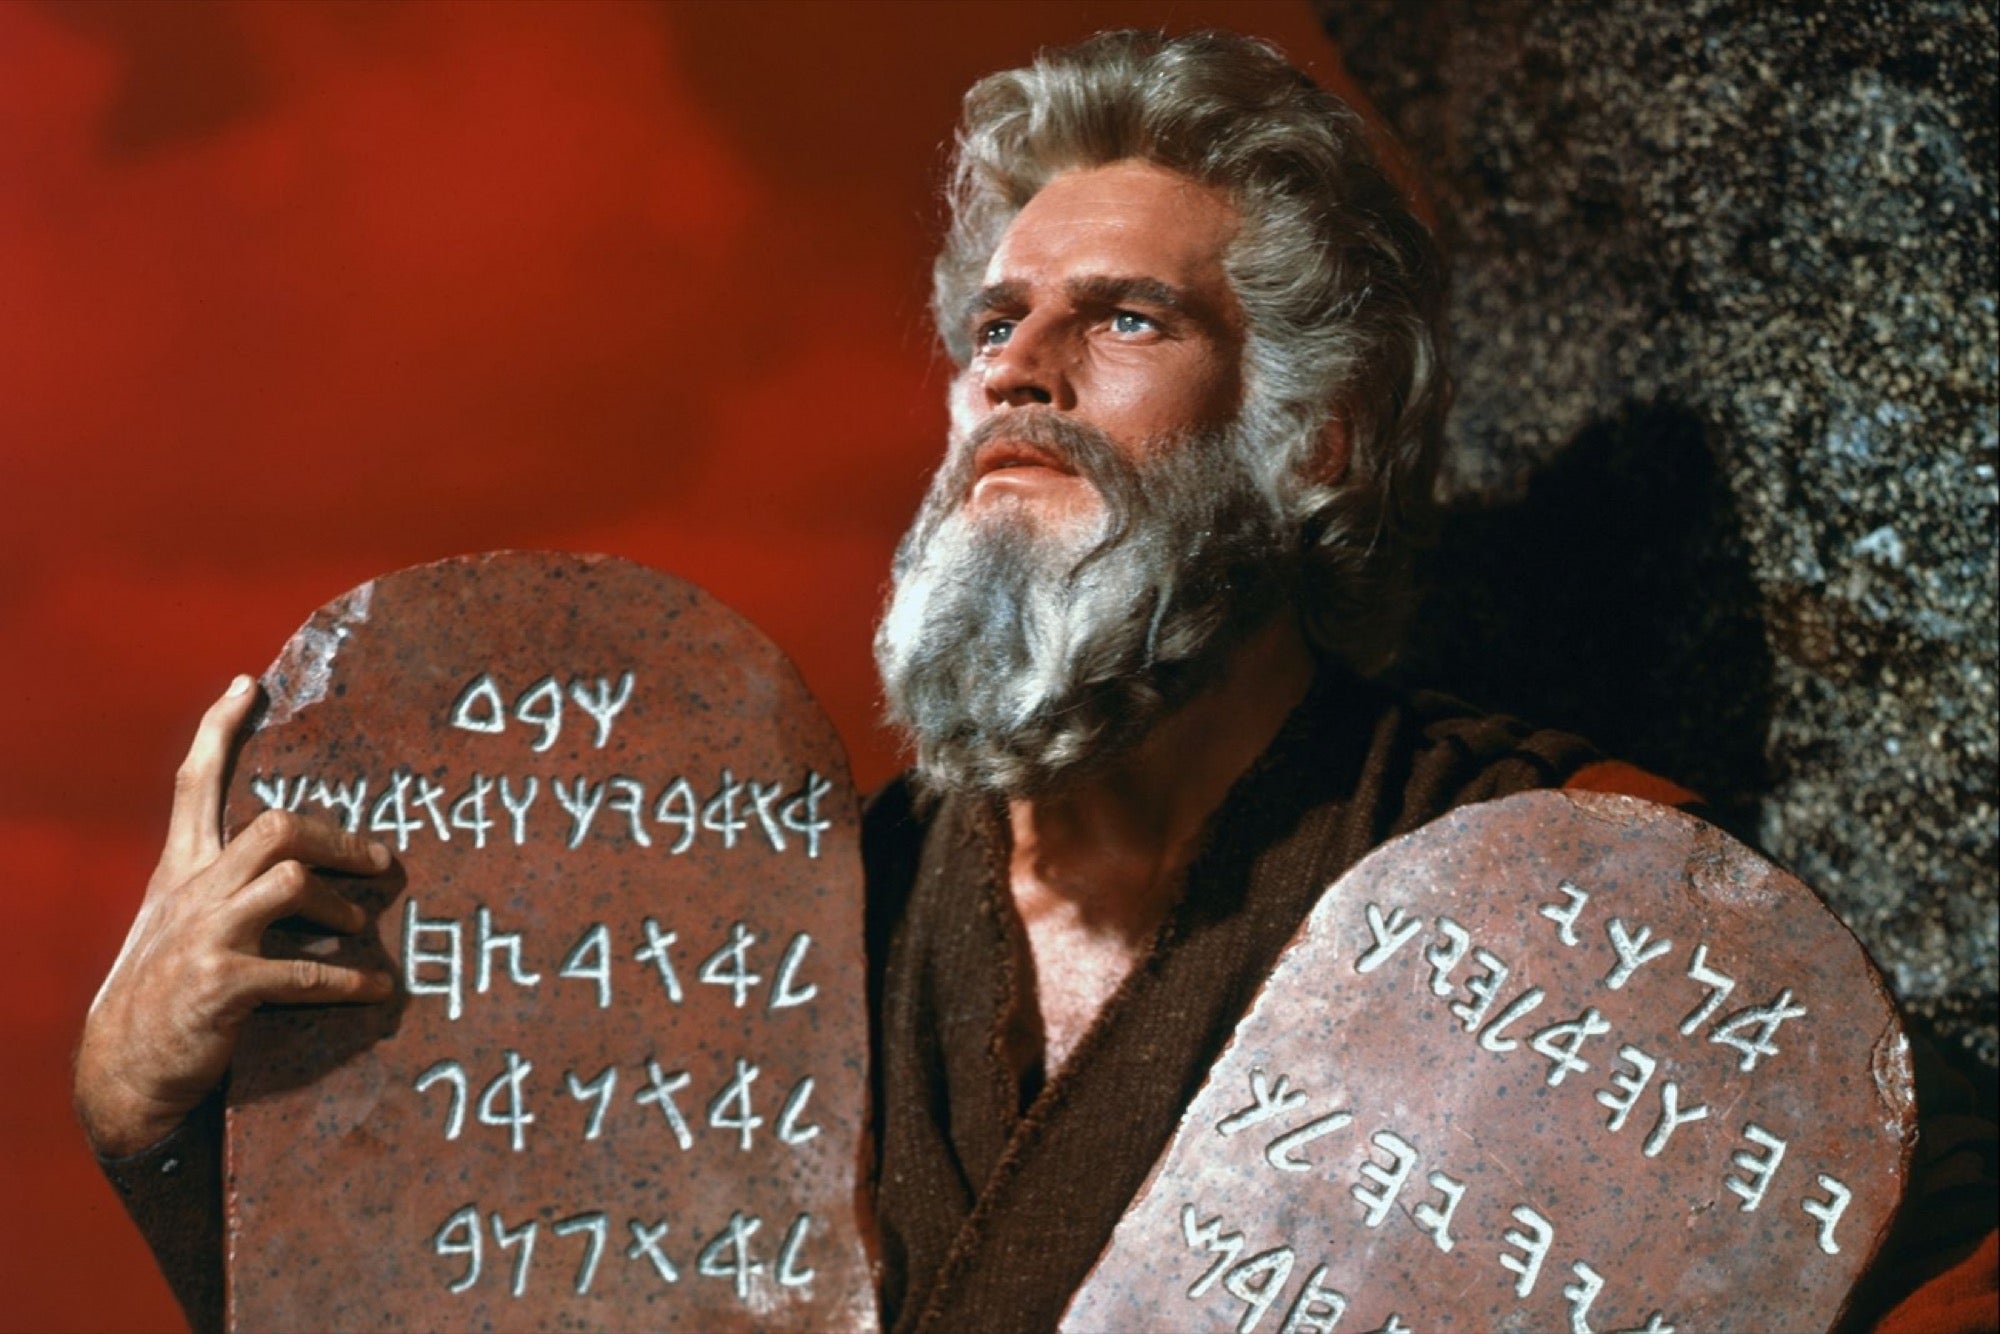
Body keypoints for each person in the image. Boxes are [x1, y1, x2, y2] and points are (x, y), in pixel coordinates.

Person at [76, 29, 1994, 1334]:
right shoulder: (782, 930)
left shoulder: (1555, 885)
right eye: (995, 322)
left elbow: (1864, 1180)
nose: (1018, 365)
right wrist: (151, 1111)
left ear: (1315, 436)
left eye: (1125, 316)